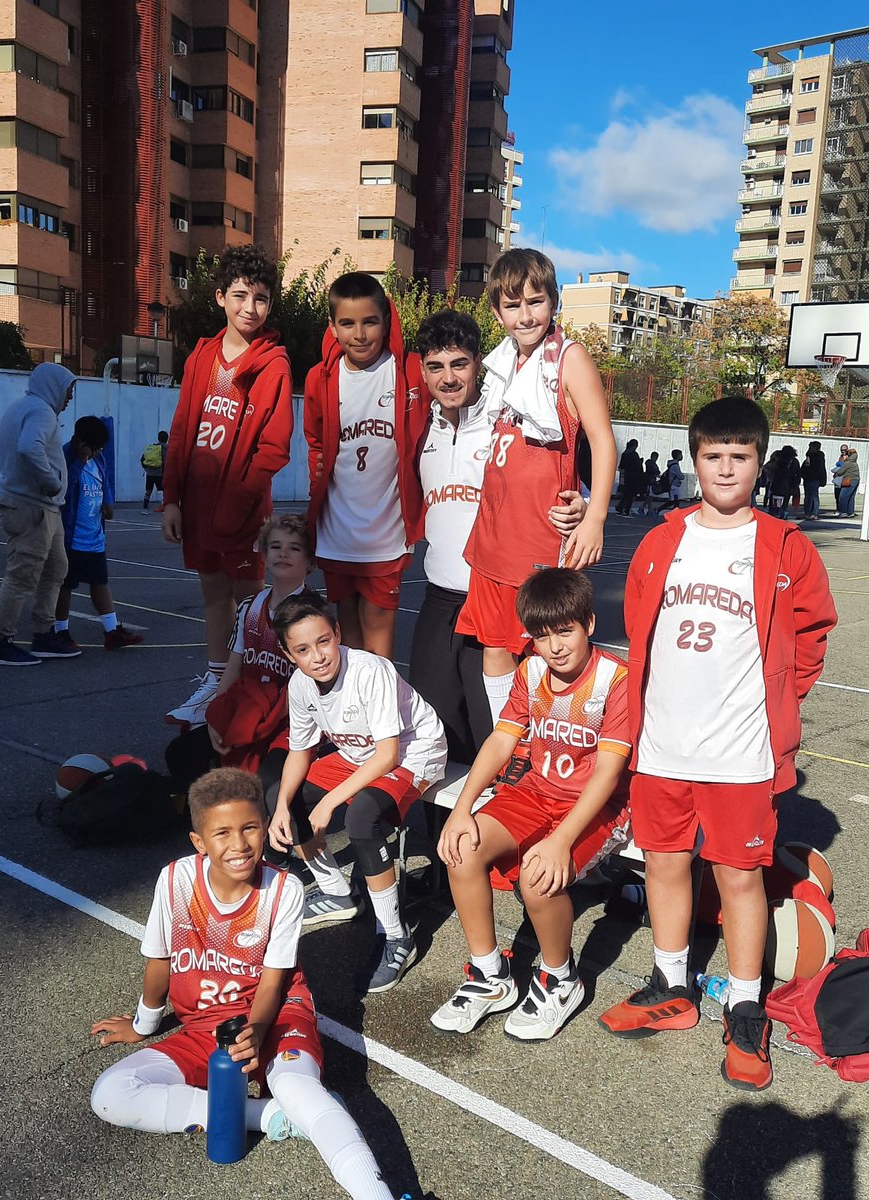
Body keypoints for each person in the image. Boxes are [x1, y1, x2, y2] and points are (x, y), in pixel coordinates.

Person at [598, 394, 836, 1092]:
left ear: (759, 463)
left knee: (738, 876)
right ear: (695, 460)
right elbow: (644, 630)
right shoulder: (661, 541)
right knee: (665, 865)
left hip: (741, 753)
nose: (726, 468)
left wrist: (779, 704)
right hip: (663, 743)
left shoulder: (785, 546)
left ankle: (742, 1003)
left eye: (740, 456)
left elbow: (813, 634)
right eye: (713, 456)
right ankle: (671, 983)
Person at [90, 768, 404, 1200]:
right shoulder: (176, 880)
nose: (239, 845)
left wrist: (257, 1032)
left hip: (275, 1017)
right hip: (207, 1028)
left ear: (263, 825)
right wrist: (144, 1024)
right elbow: (159, 959)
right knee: (110, 1095)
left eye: (250, 827)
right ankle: (267, 1115)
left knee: (298, 1088)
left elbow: (274, 982)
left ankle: (378, 1194)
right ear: (199, 842)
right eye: (222, 833)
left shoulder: (284, 890)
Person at [432, 569, 631, 1041]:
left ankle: (561, 979)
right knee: (462, 845)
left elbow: (607, 774)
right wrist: (462, 809)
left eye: (565, 631)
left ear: (589, 624)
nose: (555, 646)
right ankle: (489, 977)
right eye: (542, 636)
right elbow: (502, 742)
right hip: (536, 793)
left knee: (539, 879)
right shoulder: (530, 670)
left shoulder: (613, 679)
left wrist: (561, 841)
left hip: (598, 806)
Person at [409, 309, 584, 762]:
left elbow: (571, 455)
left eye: (459, 364)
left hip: (495, 593)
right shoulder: (421, 424)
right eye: (435, 366)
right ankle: (436, 834)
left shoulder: (508, 406)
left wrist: (585, 503)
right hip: (439, 597)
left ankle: (495, 827)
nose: (447, 378)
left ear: (478, 362)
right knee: (432, 732)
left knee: (497, 735)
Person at [458, 248, 616, 724]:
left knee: (548, 656)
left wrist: (595, 516)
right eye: (512, 304)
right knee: (494, 648)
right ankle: (506, 748)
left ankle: (544, 750)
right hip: (491, 540)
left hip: (541, 542)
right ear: (495, 311)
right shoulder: (501, 364)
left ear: (554, 302)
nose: (525, 315)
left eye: (536, 301)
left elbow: (603, 442)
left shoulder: (569, 358)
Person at [268, 594, 445, 992]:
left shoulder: (370, 670)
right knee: (286, 799)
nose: (317, 656)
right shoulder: (300, 684)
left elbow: (387, 755)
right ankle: (338, 893)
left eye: (324, 641)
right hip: (359, 753)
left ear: (338, 634)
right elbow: (300, 751)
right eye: (302, 649)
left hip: (413, 751)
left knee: (362, 818)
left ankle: (396, 935)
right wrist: (280, 807)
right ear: (288, 653)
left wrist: (331, 801)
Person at [162, 245, 294, 726]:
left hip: (241, 514)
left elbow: (274, 448)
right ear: (220, 297)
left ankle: (262, 688)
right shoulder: (201, 358)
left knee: (253, 600)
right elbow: (182, 430)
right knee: (213, 595)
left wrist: (239, 503)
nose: (249, 307)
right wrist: (172, 498)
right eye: (240, 295)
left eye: (260, 298)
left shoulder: (274, 364)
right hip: (197, 506)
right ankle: (216, 684)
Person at [165, 514, 321, 836]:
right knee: (181, 753)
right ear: (263, 554)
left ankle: (283, 851)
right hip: (247, 713)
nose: (283, 554)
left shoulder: (311, 613)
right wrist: (217, 718)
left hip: (290, 724)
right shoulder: (251, 606)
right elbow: (234, 665)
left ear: (309, 562)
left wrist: (263, 725)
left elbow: (317, 686)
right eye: (275, 546)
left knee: (267, 784)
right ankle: (205, 831)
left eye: (294, 548)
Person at [304, 272, 427, 662]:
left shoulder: (410, 370)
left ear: (386, 320)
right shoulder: (319, 378)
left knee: (379, 647)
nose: (359, 334)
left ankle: (382, 721)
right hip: (336, 531)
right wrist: (317, 478)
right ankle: (352, 720)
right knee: (348, 642)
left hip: (385, 534)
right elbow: (315, 441)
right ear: (333, 327)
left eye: (370, 321)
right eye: (348, 323)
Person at [0, 363, 78, 666]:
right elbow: (28, 447)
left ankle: (44, 633)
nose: (70, 398)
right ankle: (0, 641)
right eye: (68, 390)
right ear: (54, 387)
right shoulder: (42, 412)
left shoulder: (22, 407)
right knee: (23, 574)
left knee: (55, 569)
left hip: (40, 506)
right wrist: (50, 481)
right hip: (33, 505)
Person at [53, 416, 144, 653]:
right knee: (66, 584)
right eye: (93, 448)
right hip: (71, 537)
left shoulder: (99, 458)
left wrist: (108, 501)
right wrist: (80, 461)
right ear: (81, 443)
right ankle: (60, 630)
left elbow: (104, 482)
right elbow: (61, 489)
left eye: (99, 449)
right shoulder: (66, 458)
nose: (97, 452)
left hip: (94, 535)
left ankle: (111, 631)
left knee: (100, 582)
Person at [140, 430, 168, 511]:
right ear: (167, 439)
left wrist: (146, 468)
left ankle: (145, 508)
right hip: (159, 473)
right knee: (163, 491)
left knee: (148, 491)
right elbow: (167, 461)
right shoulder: (166, 448)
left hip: (149, 473)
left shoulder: (152, 448)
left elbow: (142, 459)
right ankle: (164, 507)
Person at [615, 439, 644, 517]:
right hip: (634, 477)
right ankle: (626, 510)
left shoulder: (625, 454)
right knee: (631, 495)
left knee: (626, 493)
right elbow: (638, 466)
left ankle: (620, 507)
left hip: (627, 476)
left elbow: (621, 466)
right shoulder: (634, 454)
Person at [800, 440, 827, 519]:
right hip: (808, 478)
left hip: (814, 478)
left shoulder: (818, 456)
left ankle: (814, 513)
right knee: (807, 496)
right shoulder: (809, 456)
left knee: (814, 496)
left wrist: (820, 478)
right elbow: (805, 466)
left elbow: (819, 469)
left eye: (811, 446)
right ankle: (807, 512)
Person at [835, 448, 860, 516]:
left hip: (849, 481)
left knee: (842, 496)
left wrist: (836, 471)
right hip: (856, 480)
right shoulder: (854, 462)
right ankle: (850, 512)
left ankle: (843, 512)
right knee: (851, 497)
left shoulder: (847, 463)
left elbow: (840, 472)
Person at [830, 444, 849, 513]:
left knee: (842, 496)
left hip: (844, 478)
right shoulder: (841, 457)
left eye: (844, 450)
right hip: (838, 478)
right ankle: (838, 509)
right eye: (841, 450)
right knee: (837, 495)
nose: (843, 451)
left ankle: (844, 510)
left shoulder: (849, 458)